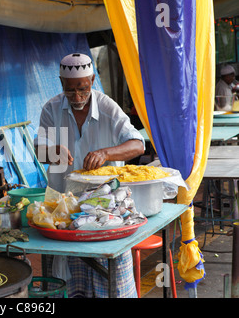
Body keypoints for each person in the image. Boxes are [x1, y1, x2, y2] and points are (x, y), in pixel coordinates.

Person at [35, 53, 145, 298]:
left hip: (107, 211)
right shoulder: (51, 109)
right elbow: (38, 150)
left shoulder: (107, 107)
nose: (77, 97)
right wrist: (52, 151)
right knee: (68, 284)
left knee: (111, 282)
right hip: (64, 212)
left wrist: (106, 152)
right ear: (61, 83)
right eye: (70, 90)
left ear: (93, 80)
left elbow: (138, 144)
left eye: (83, 89)